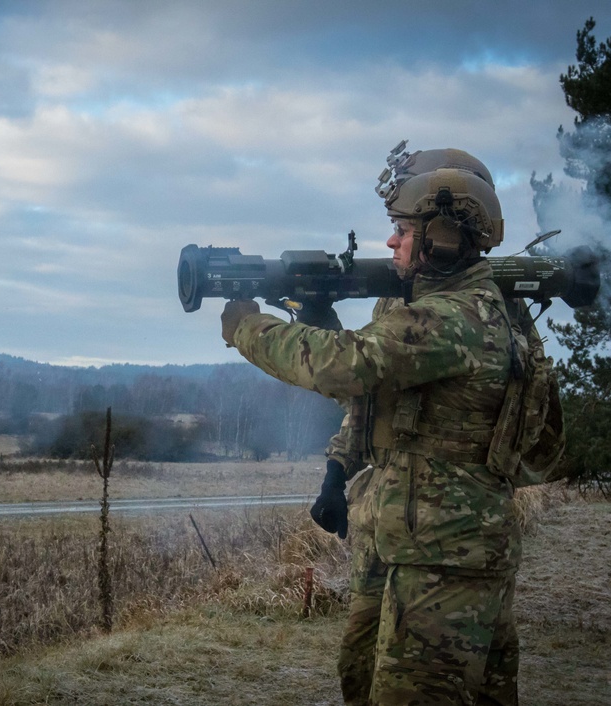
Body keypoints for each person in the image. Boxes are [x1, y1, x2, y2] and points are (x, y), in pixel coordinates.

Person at [220, 146, 523, 705]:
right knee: (361, 677)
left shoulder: (457, 316)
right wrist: (339, 470)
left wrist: (246, 327)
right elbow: (375, 384)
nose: (390, 243)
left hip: (447, 554)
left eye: (402, 230)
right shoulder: (421, 306)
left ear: (443, 240)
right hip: (408, 539)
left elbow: (348, 365)